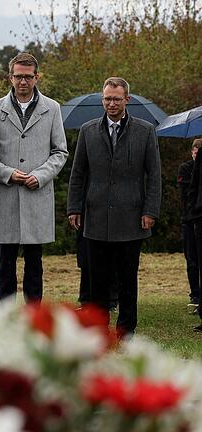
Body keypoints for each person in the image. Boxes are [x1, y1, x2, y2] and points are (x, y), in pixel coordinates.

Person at [67, 77, 161, 337]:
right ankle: (98, 328)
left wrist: (150, 211)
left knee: (128, 278)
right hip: (95, 217)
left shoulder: (145, 131)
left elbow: (154, 175)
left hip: (131, 218)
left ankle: (126, 329)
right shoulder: (87, 130)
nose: (111, 103)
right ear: (102, 99)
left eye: (116, 99)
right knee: (97, 278)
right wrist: (74, 207)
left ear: (126, 100)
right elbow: (78, 174)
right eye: (107, 98)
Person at [0, 52, 68, 304]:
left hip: (37, 197)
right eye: (18, 77)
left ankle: (35, 318)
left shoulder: (52, 108)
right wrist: (7, 173)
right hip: (5, 195)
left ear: (37, 77)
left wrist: (41, 176)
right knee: (5, 266)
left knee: (35, 264)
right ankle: (5, 318)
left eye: (28, 77)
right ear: (10, 78)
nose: (23, 82)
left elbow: (60, 151)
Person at [178, 139, 202, 313]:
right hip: (189, 219)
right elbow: (186, 193)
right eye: (196, 149)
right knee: (192, 259)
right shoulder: (186, 168)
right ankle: (195, 293)